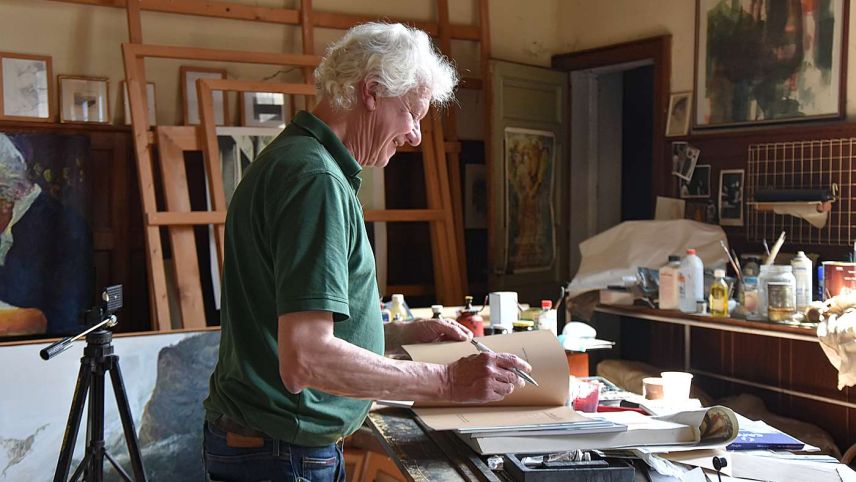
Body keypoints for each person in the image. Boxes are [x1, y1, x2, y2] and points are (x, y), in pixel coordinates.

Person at [203, 22, 532, 482]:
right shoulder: (315, 182)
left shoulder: (295, 159)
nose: (416, 135)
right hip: (283, 456)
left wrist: (399, 333)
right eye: (411, 114)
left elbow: (289, 320)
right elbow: (306, 358)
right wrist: (448, 382)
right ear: (372, 92)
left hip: (271, 447)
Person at [0, 133, 94, 336]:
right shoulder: (9, 218)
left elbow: (64, 320)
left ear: (7, 197)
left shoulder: (64, 228)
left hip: (42, 357)